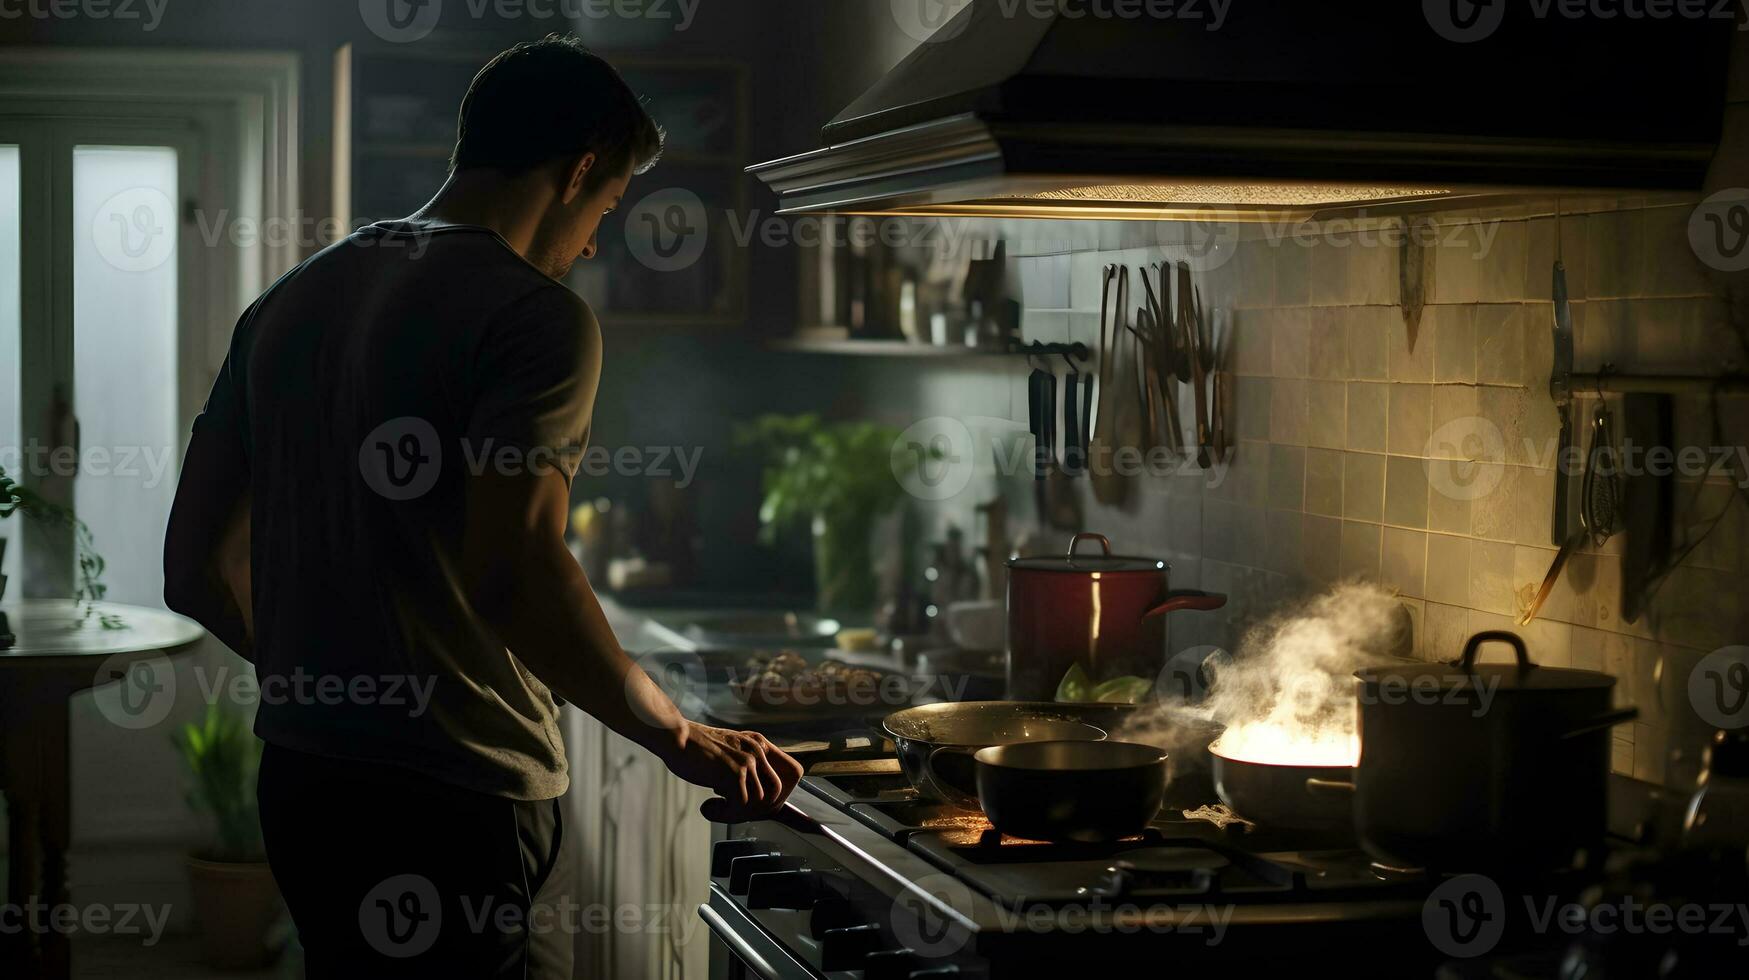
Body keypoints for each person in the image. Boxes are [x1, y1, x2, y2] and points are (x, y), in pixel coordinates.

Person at [163, 35, 801, 978]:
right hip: (455, 797)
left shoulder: (285, 303)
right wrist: (675, 732)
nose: (591, 243)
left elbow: (189, 571)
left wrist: (326, 677)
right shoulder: (533, 316)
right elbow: (515, 571)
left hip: (304, 785)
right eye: (606, 209)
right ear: (581, 168)